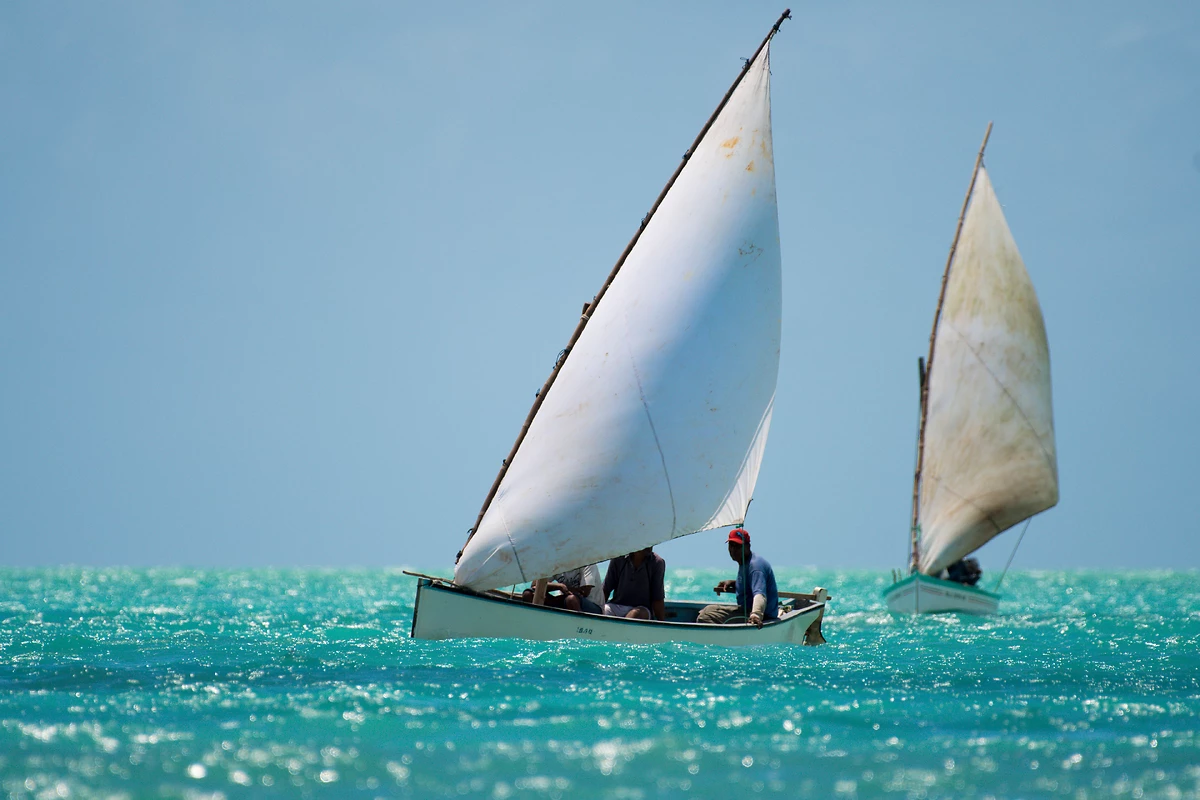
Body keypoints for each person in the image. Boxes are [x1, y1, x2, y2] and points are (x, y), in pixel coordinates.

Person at [697, 528, 778, 628]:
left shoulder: (755, 566)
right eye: (731, 545)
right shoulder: (745, 562)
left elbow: (760, 595)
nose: (733, 550)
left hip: (762, 616)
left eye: (738, 546)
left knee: (705, 617)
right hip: (746, 610)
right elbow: (751, 584)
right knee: (707, 610)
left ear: (748, 546)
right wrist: (733, 583)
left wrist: (756, 615)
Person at [602, 547, 666, 621]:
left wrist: (662, 623)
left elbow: (657, 598)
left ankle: (621, 630)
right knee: (605, 610)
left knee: (635, 614)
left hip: (642, 609)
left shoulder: (657, 562)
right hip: (617, 606)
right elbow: (606, 589)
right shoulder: (618, 559)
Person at [521, 563, 604, 613]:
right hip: (566, 601)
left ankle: (577, 630)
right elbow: (535, 585)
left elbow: (584, 592)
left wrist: (566, 589)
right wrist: (559, 586)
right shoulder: (557, 563)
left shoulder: (587, 562)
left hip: (592, 606)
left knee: (571, 600)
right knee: (528, 594)